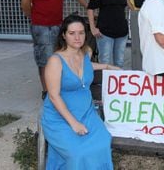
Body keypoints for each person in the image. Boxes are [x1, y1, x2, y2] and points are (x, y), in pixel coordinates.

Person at [42, 14, 119, 169]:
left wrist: (107, 66)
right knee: (77, 152)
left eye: (81, 32)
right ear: (63, 35)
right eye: (72, 33)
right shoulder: (55, 61)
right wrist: (74, 123)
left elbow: (86, 67)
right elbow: (53, 96)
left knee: (103, 142)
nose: (77, 37)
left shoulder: (85, 53)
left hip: (87, 112)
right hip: (60, 117)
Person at [21, 0, 88, 99]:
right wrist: (34, 18)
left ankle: (57, 87)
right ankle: (47, 91)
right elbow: (25, 2)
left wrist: (88, 7)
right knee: (44, 59)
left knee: (60, 57)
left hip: (59, 24)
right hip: (41, 26)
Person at [87, 0, 128, 67]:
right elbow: (90, 8)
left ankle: (118, 85)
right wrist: (92, 28)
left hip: (122, 32)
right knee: (104, 62)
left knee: (119, 63)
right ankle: (103, 85)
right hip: (104, 33)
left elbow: (127, 7)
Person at [125, 0, 151, 70]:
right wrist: (132, 9)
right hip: (136, 13)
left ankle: (149, 67)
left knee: (149, 40)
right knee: (136, 42)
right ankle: (136, 68)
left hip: (149, 14)